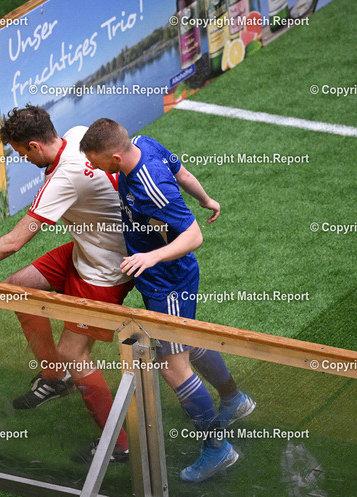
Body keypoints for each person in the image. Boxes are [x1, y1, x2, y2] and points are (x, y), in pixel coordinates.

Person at [0, 105, 135, 462]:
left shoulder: (62, 179)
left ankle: (119, 445)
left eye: (22, 152)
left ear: (36, 146)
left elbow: (12, 242)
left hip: (106, 269)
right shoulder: (77, 134)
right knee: (19, 287)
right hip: (89, 248)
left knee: (74, 352)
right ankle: (55, 379)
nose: (23, 159)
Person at [80, 118, 254, 482]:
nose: (93, 166)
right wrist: (207, 199)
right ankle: (234, 400)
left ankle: (217, 449)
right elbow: (183, 173)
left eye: (96, 161)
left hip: (169, 281)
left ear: (115, 157)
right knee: (188, 342)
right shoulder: (144, 142)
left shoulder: (150, 187)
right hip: (162, 277)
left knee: (173, 366)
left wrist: (151, 257)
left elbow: (194, 236)